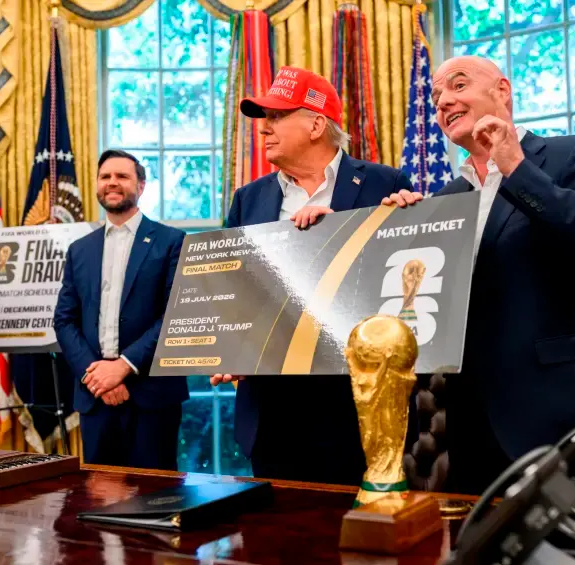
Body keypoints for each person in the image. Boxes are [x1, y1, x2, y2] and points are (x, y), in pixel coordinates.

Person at [384, 55, 575, 495]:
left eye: (457, 86)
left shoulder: (569, 154)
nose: (443, 101)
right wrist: (400, 234)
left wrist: (517, 168)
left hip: (554, 419)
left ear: (503, 90)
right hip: (460, 432)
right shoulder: (445, 198)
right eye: (437, 96)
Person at [210, 66, 415, 485]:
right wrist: (229, 347)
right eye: (263, 120)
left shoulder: (385, 184)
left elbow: (402, 288)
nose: (263, 129)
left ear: (317, 124)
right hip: (271, 414)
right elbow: (235, 289)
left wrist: (339, 232)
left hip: (351, 408)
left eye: (276, 118)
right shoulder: (248, 198)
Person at [54, 149, 188, 469]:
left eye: (122, 176)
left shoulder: (172, 241)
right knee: (99, 499)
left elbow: (175, 315)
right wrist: (97, 374)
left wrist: (123, 367)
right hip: (95, 397)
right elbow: (64, 320)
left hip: (152, 397)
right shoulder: (79, 250)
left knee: (153, 500)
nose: (112, 183)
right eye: (105, 177)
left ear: (140, 186)